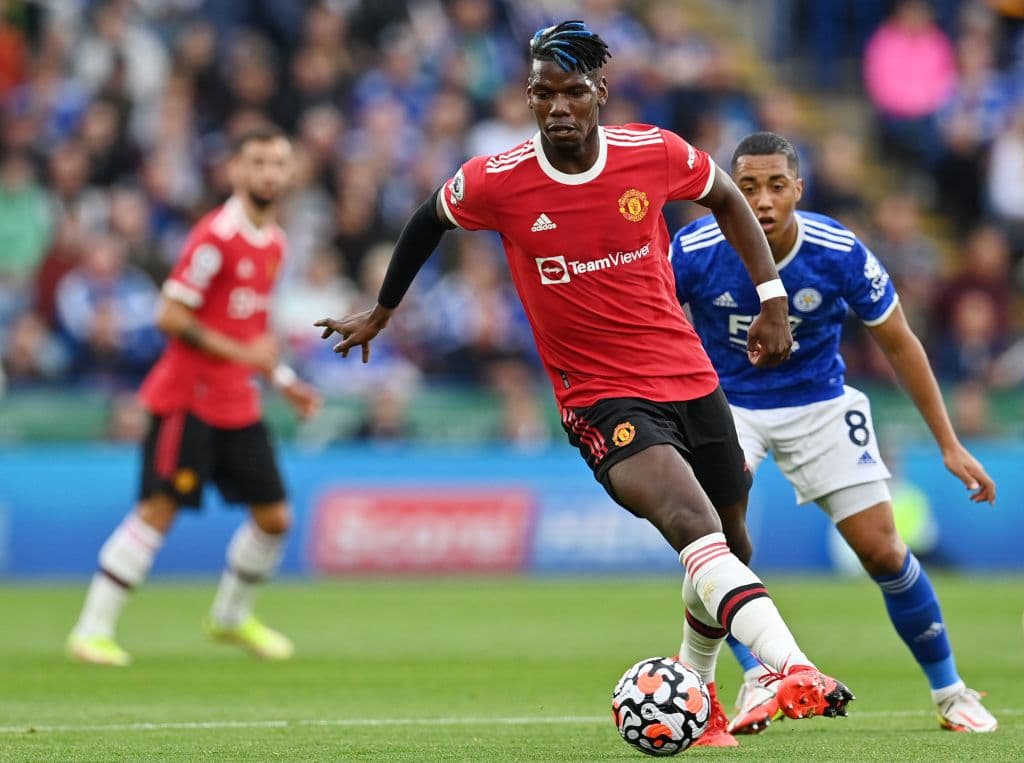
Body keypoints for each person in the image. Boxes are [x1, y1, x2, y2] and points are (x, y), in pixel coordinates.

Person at [315, 21, 853, 748]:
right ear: (529, 97)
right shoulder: (497, 178)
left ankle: (704, 701)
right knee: (693, 525)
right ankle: (787, 667)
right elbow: (425, 220)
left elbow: (727, 197)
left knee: (730, 543)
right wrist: (382, 311)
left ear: (601, 92)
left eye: (572, 92)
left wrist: (773, 297)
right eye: (543, 93)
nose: (558, 107)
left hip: (690, 378)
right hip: (600, 397)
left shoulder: (653, 153)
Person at [670, 131, 998, 735]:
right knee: (719, 547)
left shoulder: (837, 250)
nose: (762, 200)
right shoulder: (692, 249)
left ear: (798, 188)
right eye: (746, 188)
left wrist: (949, 443)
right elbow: (654, 330)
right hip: (729, 409)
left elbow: (900, 341)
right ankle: (755, 676)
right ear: (725, 193)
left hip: (821, 405)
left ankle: (952, 693)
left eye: (775, 186)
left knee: (883, 550)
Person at [67, 124, 322, 666]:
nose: (269, 174)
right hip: (189, 396)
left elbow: (253, 334)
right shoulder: (215, 236)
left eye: (278, 164)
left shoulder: (275, 243)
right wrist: (241, 353)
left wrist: (283, 382)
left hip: (238, 400)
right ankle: (92, 629)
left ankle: (230, 616)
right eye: (257, 163)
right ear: (234, 170)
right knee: (159, 509)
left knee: (275, 518)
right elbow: (170, 314)